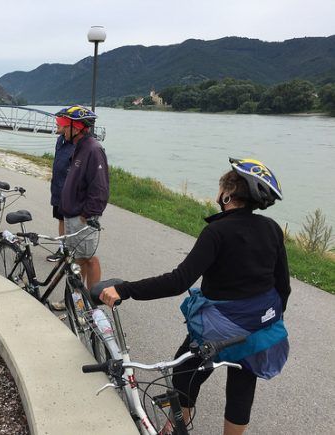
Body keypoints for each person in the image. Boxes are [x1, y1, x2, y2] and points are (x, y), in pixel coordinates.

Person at [98, 158, 291, 435]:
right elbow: (283, 286)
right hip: (259, 327)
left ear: (227, 193)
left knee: (184, 372)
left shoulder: (217, 231)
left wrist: (125, 289)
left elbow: (178, 282)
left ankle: (177, 426)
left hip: (220, 329)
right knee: (242, 386)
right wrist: (264, 321)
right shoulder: (271, 228)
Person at [57, 105, 109, 291]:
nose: (59, 129)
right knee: (77, 258)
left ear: (77, 127)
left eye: (63, 125)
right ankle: (76, 299)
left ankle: (93, 304)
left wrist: (88, 214)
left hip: (82, 216)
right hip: (72, 214)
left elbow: (100, 187)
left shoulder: (93, 149)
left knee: (89, 258)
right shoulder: (79, 146)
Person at [47, 123, 75, 263]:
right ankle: (62, 249)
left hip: (69, 191)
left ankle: (72, 251)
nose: (56, 124)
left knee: (71, 221)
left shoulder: (77, 144)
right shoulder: (60, 139)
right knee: (61, 219)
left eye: (60, 123)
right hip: (58, 188)